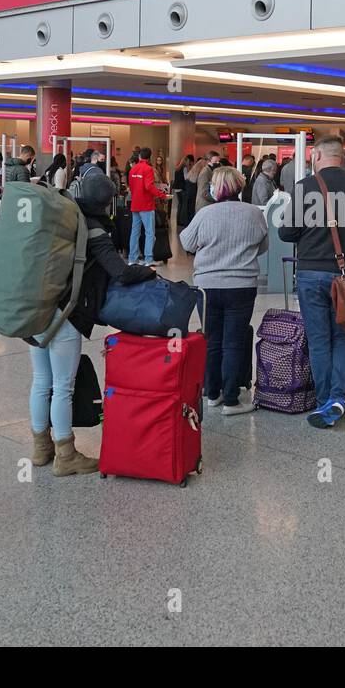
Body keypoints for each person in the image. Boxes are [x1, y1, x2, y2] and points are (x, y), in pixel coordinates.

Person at [28, 170, 155, 475]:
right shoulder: (94, 229)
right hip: (66, 314)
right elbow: (120, 273)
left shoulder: (63, 215)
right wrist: (146, 271)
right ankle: (65, 454)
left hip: (35, 307)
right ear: (107, 202)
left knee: (41, 380)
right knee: (63, 386)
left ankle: (40, 448)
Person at [278, 135, 345, 428]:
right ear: (342, 157)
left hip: (311, 273)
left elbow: (286, 233)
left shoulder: (304, 187)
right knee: (342, 337)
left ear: (317, 155)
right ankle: (339, 398)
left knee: (318, 339)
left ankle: (323, 401)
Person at [180, 167, 267, 415]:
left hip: (207, 287)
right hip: (242, 286)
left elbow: (186, 242)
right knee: (233, 341)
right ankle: (232, 399)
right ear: (239, 186)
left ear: (215, 188)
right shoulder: (254, 213)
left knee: (211, 340)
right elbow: (263, 246)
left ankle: (212, 393)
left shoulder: (206, 213)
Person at [193, 150, 221, 216]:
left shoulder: (211, 171)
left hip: (208, 205)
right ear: (208, 162)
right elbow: (204, 192)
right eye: (215, 161)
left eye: (218, 161)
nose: (218, 163)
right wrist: (217, 199)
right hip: (204, 205)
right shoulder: (205, 173)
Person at [173, 154, 195, 227]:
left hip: (177, 188)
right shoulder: (184, 168)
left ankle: (178, 220)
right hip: (182, 188)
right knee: (183, 205)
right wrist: (189, 167)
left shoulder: (178, 167)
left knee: (180, 204)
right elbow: (187, 178)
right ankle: (182, 220)